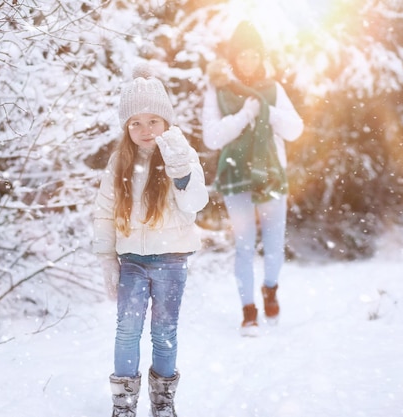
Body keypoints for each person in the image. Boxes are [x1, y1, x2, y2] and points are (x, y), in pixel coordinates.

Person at [93, 63, 208, 417]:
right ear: (126, 127)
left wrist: (181, 173)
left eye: (152, 121)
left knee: (164, 331)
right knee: (127, 330)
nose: (144, 130)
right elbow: (104, 213)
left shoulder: (181, 154)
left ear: (166, 123)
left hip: (171, 260)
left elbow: (195, 204)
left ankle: (163, 402)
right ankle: (124, 404)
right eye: (135, 123)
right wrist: (106, 260)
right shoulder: (118, 161)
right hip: (132, 262)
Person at [202, 21, 304, 337]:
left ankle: (270, 289)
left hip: (271, 175)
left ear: (260, 56)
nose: (248, 61)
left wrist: (267, 112)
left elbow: (295, 129)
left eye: (253, 55)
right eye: (242, 55)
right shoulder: (218, 91)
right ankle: (249, 313)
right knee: (245, 247)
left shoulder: (273, 89)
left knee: (274, 247)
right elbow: (212, 138)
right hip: (235, 177)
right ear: (233, 58)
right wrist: (245, 114)